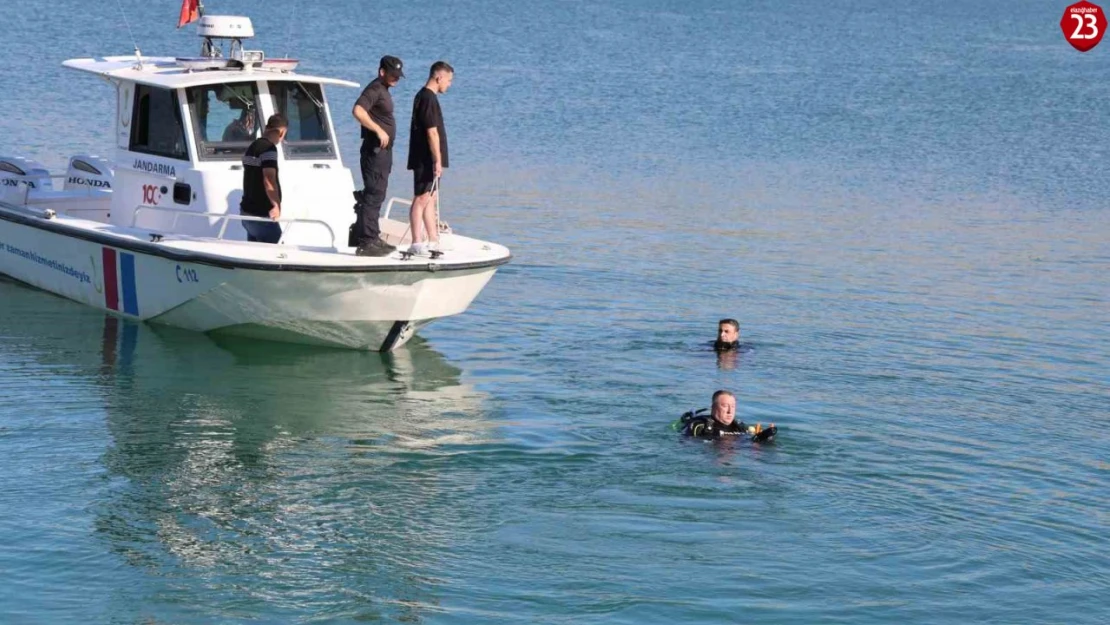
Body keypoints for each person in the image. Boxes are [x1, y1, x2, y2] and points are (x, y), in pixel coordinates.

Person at [351, 55, 405, 257]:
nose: (396, 78)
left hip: (382, 153)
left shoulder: (383, 90)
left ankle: (371, 236)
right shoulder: (374, 89)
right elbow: (357, 110)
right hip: (374, 151)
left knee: (378, 192)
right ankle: (366, 243)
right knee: (374, 193)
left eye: (398, 75)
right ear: (382, 72)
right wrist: (378, 130)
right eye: (393, 74)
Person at [406, 61, 454, 255]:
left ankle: (433, 239)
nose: (449, 85)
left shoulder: (425, 97)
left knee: (431, 197)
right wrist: (437, 160)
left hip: (428, 157)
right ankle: (416, 242)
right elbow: (431, 132)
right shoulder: (427, 98)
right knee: (422, 198)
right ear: (439, 77)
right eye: (449, 80)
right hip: (426, 158)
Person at [239, 114, 288, 244]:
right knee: (278, 252)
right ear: (282, 132)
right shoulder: (269, 149)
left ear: (266, 128)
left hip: (246, 213)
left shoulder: (252, 147)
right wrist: (276, 205)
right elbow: (269, 179)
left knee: (255, 254)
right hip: (261, 215)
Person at [678, 390, 776, 441]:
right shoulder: (699, 426)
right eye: (725, 406)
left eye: (733, 406)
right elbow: (687, 446)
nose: (730, 411)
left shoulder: (739, 427)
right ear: (713, 408)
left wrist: (764, 438)